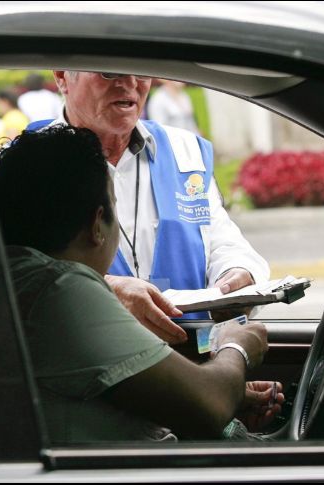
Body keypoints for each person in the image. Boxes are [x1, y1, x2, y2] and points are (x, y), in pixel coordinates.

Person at [0, 125, 282, 443]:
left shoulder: (8, 280)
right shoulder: (62, 291)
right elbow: (209, 404)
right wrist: (236, 346)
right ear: (97, 224)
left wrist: (229, 390)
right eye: (116, 205)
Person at [36, 71, 271, 345]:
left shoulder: (185, 150)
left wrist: (235, 275)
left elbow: (223, 240)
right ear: (62, 76)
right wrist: (105, 291)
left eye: (142, 70)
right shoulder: (21, 165)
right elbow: (10, 277)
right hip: (93, 367)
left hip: (194, 359)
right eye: (109, 72)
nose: (130, 83)